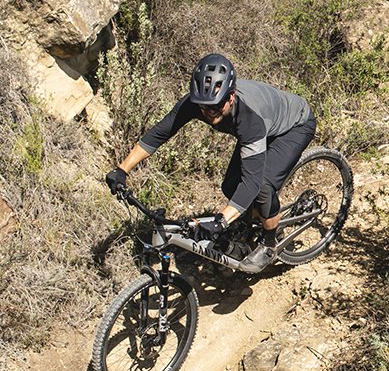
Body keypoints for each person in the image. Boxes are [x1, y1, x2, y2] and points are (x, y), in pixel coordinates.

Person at [106, 53, 315, 273]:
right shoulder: (197, 103)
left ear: (231, 97)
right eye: (204, 107)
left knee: (262, 186)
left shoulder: (249, 118)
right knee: (229, 185)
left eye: (216, 106)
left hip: (294, 126)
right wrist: (122, 169)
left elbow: (252, 182)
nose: (210, 112)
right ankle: (253, 221)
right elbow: (159, 134)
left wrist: (221, 221)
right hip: (265, 127)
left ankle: (270, 243)